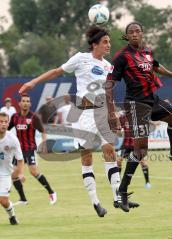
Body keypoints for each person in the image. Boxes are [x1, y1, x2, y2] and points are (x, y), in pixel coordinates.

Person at [18, 26, 138, 217]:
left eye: (109, 41)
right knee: (87, 158)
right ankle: (95, 202)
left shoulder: (108, 66)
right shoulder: (81, 58)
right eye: (105, 42)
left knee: (110, 151)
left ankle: (117, 196)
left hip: (102, 113)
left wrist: (113, 114)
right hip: (83, 115)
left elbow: (108, 93)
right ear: (94, 44)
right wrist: (32, 83)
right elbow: (56, 71)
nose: (109, 44)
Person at [106, 22, 172, 212]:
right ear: (127, 36)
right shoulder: (122, 57)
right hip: (135, 104)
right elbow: (109, 84)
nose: (135, 34)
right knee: (141, 150)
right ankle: (122, 191)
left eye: (138, 31)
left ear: (142, 33)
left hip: (150, 99)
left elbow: (155, 66)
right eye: (131, 32)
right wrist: (110, 112)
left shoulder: (146, 52)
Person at [8, 94, 57, 205]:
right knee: (14, 175)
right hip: (18, 151)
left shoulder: (33, 117)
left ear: (30, 104)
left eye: (27, 101)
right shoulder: (15, 117)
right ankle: (23, 199)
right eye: (23, 101)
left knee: (33, 172)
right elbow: (6, 130)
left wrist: (44, 144)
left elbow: (43, 131)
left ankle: (52, 192)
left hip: (30, 149)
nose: (25, 103)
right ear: (20, 103)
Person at [0, 112, 25, 225]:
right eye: (1, 122)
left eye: (6, 122)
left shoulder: (12, 139)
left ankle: (12, 216)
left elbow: (20, 159)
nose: (3, 124)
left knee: (3, 201)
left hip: (5, 173)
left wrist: (20, 173)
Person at [117, 111, 151, 189]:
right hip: (126, 144)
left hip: (136, 145)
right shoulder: (122, 118)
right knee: (118, 161)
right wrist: (118, 130)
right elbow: (119, 131)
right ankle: (118, 182)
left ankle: (147, 182)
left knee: (143, 162)